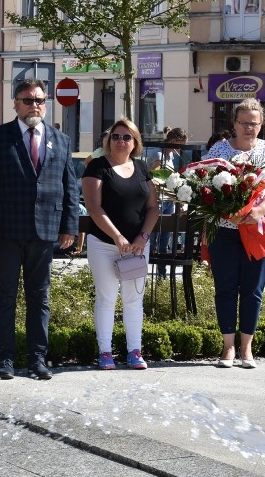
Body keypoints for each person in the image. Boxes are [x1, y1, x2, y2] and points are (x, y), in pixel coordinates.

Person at [0, 79, 79, 381]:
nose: (35, 105)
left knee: (39, 297)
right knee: (5, 295)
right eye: (28, 100)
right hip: (6, 231)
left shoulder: (60, 140)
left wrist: (69, 225)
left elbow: (68, 185)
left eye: (40, 100)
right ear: (15, 103)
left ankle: (37, 360)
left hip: (44, 232)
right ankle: (5, 359)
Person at [203, 98, 265, 369]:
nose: (249, 128)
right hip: (225, 231)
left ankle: (247, 349)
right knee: (225, 288)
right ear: (234, 124)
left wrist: (259, 211)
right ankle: (228, 348)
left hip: (258, 229)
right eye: (244, 123)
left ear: (261, 124)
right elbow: (205, 186)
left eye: (254, 123)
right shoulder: (220, 149)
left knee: (253, 290)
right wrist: (229, 212)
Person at [82, 119, 158, 370]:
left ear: (135, 142)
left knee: (134, 299)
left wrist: (142, 238)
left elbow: (152, 208)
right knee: (106, 298)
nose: (121, 141)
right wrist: (117, 237)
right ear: (108, 140)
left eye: (127, 137)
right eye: (116, 136)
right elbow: (94, 208)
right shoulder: (97, 167)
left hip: (136, 248)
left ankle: (134, 351)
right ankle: (105, 352)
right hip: (104, 244)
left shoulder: (141, 168)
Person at [147, 127, 188, 276]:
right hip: (158, 200)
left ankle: (162, 273)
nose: (181, 148)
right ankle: (151, 270)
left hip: (168, 200)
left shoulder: (169, 156)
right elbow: (154, 178)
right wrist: (173, 193)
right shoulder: (159, 154)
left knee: (165, 236)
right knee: (153, 236)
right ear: (173, 141)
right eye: (180, 144)